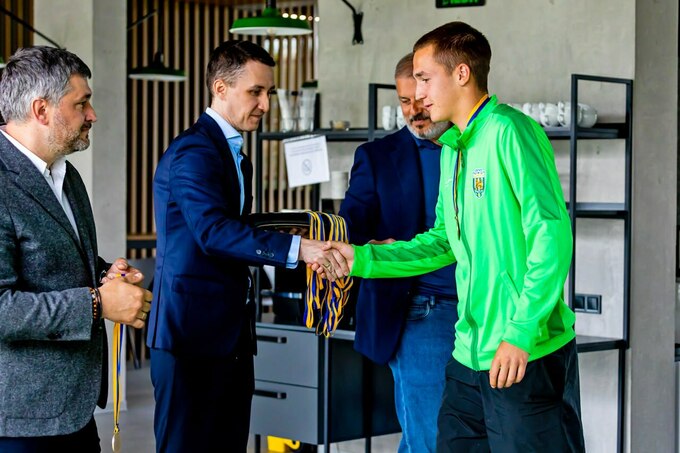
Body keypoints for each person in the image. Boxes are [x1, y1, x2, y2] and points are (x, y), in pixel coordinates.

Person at [326, 22, 585, 452]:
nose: (418, 93)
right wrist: (363, 259)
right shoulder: (453, 148)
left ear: (461, 73)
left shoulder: (510, 132)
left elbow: (551, 236)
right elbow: (445, 241)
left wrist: (520, 333)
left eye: (425, 79)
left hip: (524, 351)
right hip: (468, 355)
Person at [148, 40, 345, 453]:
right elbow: (213, 232)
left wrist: (309, 230)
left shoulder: (234, 155)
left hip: (231, 336)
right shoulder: (194, 151)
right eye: (256, 92)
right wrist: (299, 249)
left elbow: (235, 226)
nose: (265, 104)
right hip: (189, 338)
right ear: (220, 88)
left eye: (268, 92)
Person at [0, 46, 152, 451]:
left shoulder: (67, 176)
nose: (92, 115)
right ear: (41, 109)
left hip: (76, 410)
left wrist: (106, 275)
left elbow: (59, 263)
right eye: (81, 103)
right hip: (20, 421)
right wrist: (99, 303)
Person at [338, 53, 456, 453]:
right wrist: (366, 246)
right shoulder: (376, 156)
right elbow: (351, 225)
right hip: (419, 309)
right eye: (404, 101)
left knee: (452, 438)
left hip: (480, 308)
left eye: (420, 99)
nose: (413, 110)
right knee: (430, 438)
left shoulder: (471, 148)